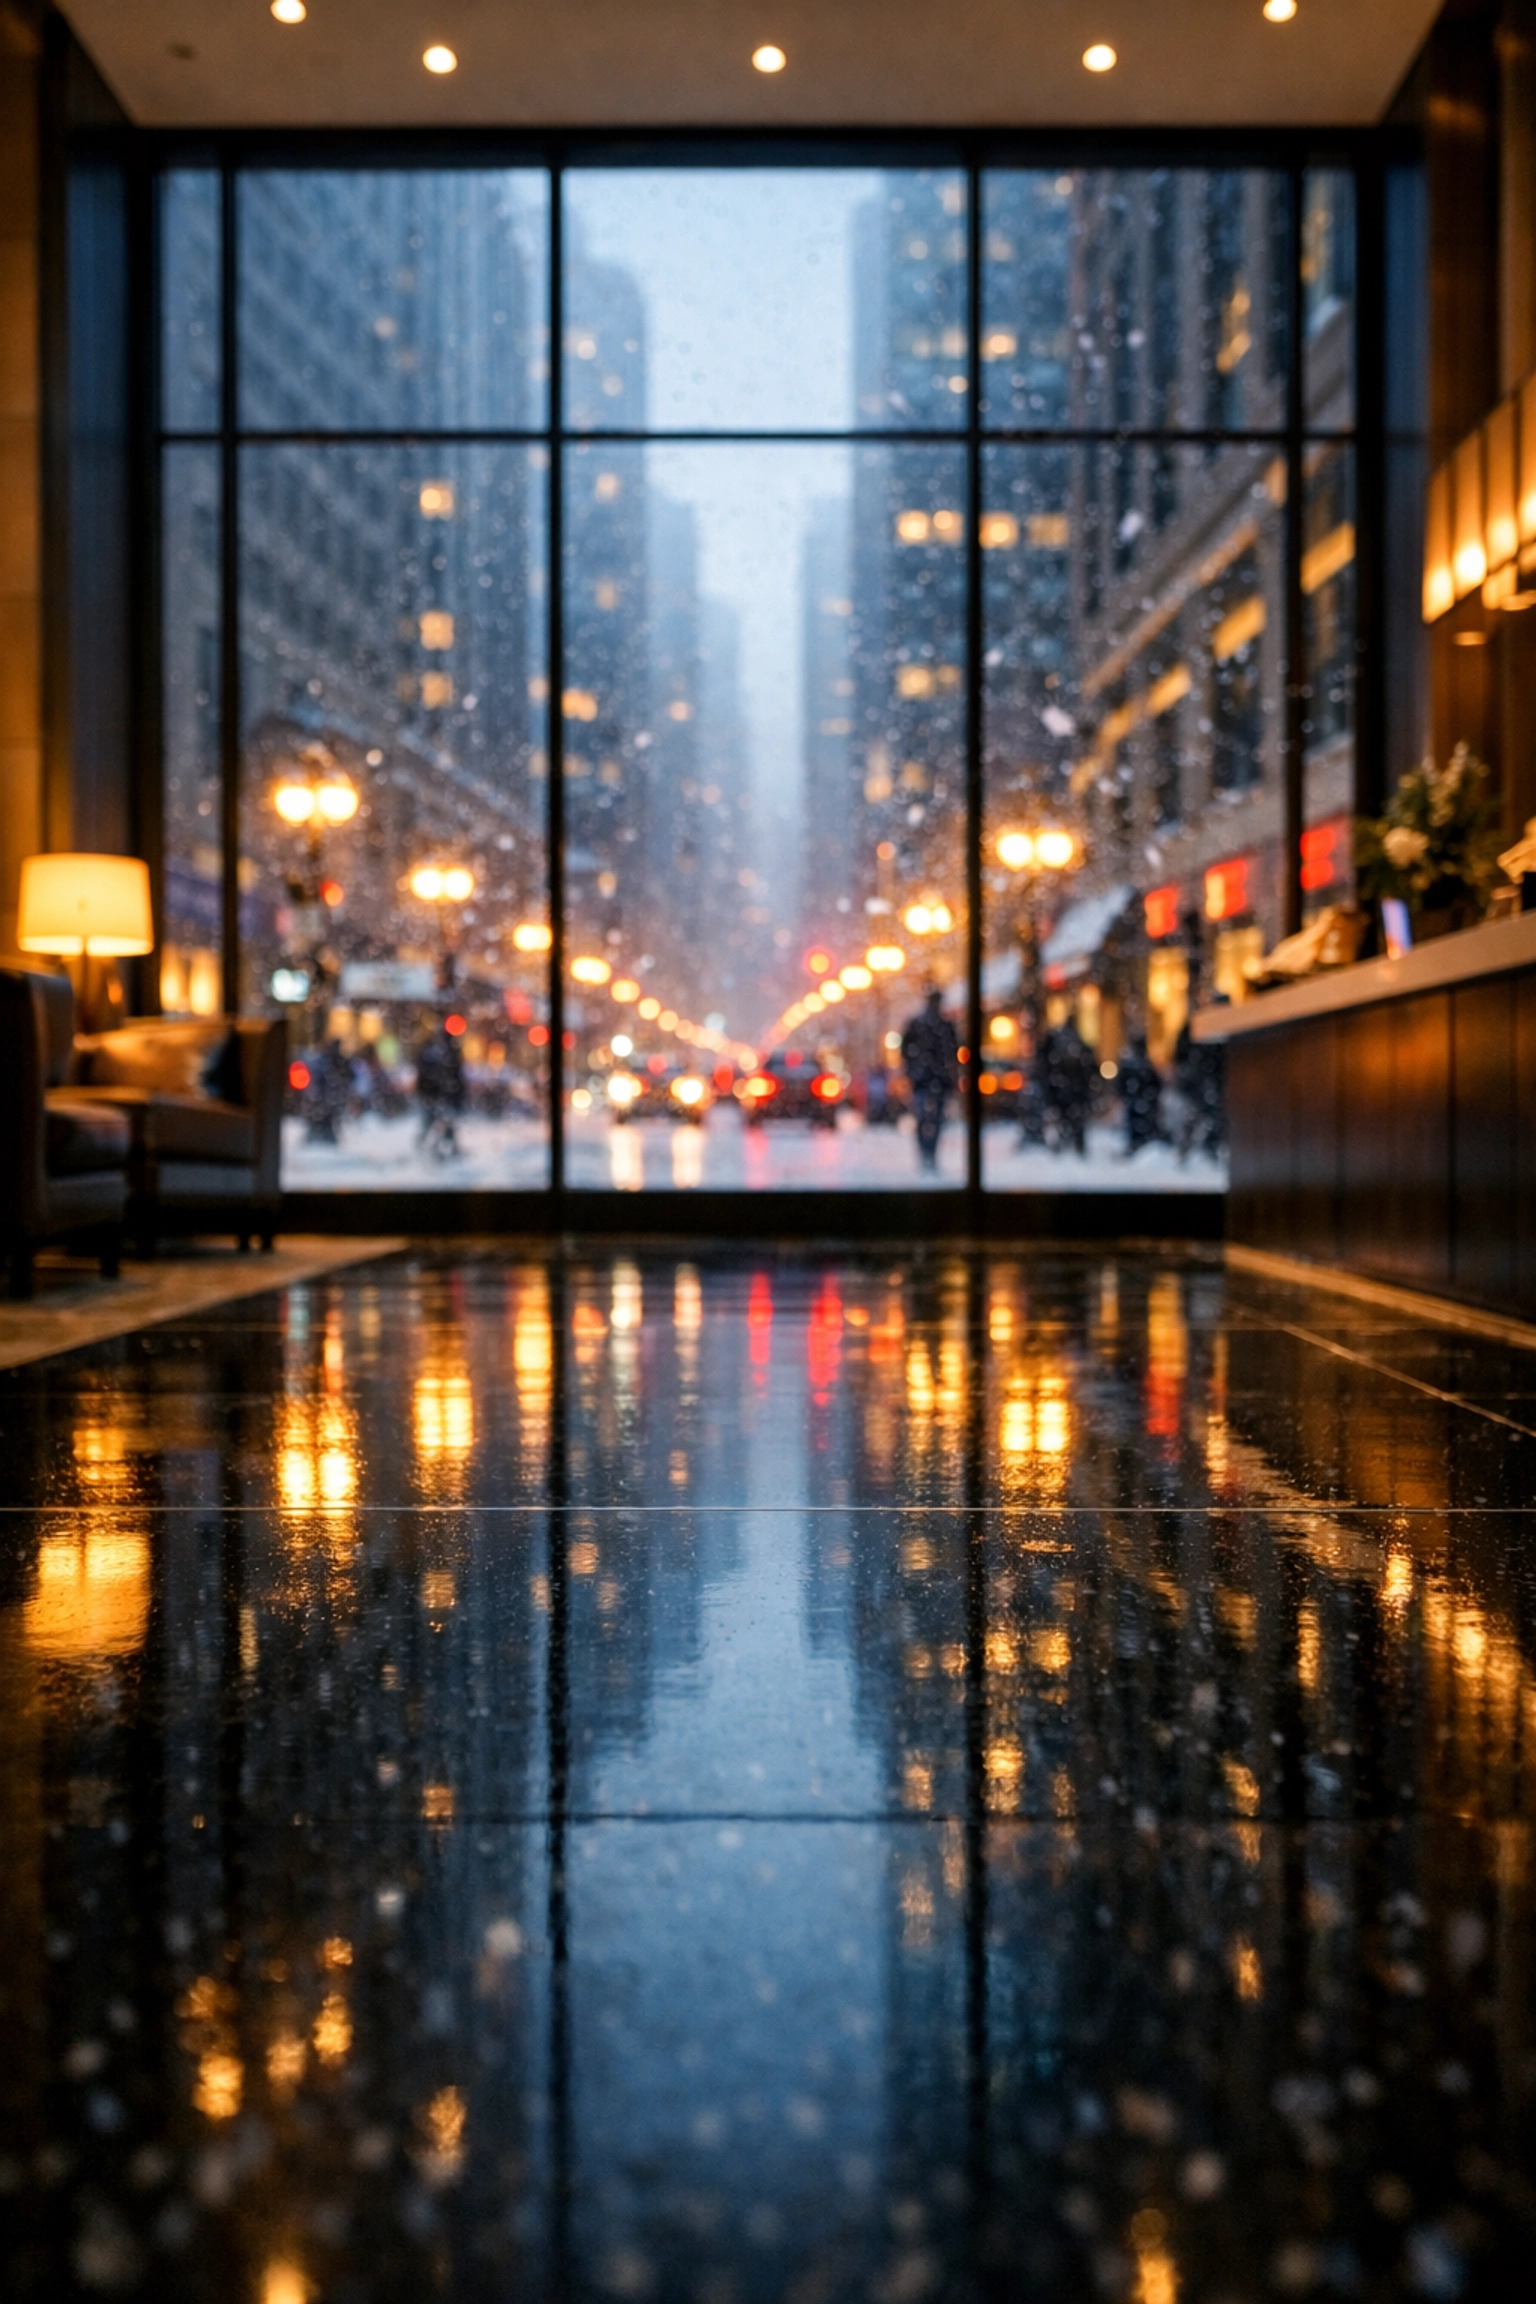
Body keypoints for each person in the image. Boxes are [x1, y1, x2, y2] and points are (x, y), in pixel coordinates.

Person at [900, 988, 959, 1173]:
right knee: (932, 1119)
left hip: (925, 1079)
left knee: (926, 1119)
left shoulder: (920, 1024)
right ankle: (928, 1154)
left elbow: (905, 1051)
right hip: (933, 1079)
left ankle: (927, 1153)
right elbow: (954, 1052)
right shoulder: (942, 1025)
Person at [416, 1022, 467, 1161]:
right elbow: (457, 1077)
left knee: (437, 1124)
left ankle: (433, 1149)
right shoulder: (449, 1052)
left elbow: (422, 1076)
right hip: (442, 1096)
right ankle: (437, 1150)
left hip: (433, 1096)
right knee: (442, 1123)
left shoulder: (429, 1051)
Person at [1117, 1032, 1164, 1157]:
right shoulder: (1144, 1065)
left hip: (1138, 1102)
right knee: (1140, 1126)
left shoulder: (1134, 1064)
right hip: (1142, 1102)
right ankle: (1140, 1146)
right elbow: (1156, 1084)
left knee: (1137, 1126)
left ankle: (1139, 1146)